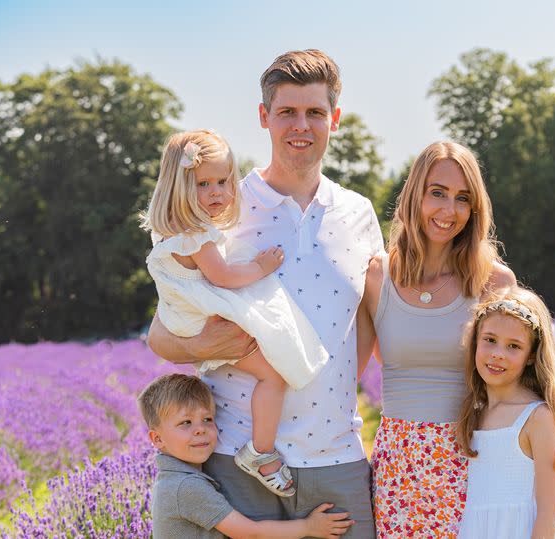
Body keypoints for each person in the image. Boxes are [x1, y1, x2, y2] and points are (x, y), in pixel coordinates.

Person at [147, 49, 383, 537]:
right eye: (287, 112)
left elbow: (367, 323)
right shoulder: (218, 204)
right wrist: (206, 347)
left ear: (334, 118)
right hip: (236, 456)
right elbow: (162, 336)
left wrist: (321, 385)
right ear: (264, 117)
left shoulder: (358, 213)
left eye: (315, 112)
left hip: (333, 452)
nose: (302, 125)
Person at [141, 129, 330, 496]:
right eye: (203, 184)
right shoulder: (196, 234)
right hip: (202, 322)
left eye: (224, 181)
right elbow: (224, 276)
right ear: (179, 189)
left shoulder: (173, 233)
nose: (217, 192)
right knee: (274, 375)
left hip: (187, 316)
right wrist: (262, 266)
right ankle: (259, 452)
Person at [357, 141, 515, 538]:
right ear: (415, 195)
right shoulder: (377, 277)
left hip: (473, 458)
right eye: (438, 193)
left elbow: (518, 386)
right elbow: (347, 380)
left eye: (463, 198)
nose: (449, 211)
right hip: (398, 465)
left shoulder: (494, 282)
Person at [138, 373, 354, 538]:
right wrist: (308, 527)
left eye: (207, 419)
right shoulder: (185, 487)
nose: (200, 429)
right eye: (186, 422)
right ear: (157, 439)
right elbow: (250, 533)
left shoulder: (177, 479)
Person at [455, 288, 555, 538]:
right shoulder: (474, 412)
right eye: (490, 340)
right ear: (475, 341)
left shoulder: (536, 418)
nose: (498, 354)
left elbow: (550, 511)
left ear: (530, 356)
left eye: (514, 346)